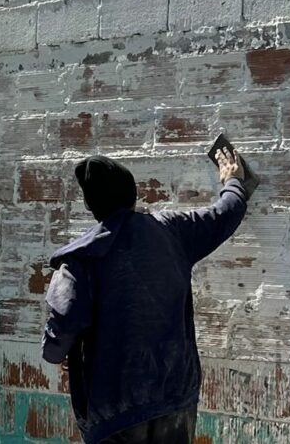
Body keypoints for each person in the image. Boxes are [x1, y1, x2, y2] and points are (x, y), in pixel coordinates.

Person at [41, 152, 250, 444]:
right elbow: (225, 213)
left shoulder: (80, 261)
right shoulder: (172, 231)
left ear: (90, 205)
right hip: (177, 398)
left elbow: (55, 346)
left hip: (116, 413)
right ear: (133, 194)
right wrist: (233, 181)